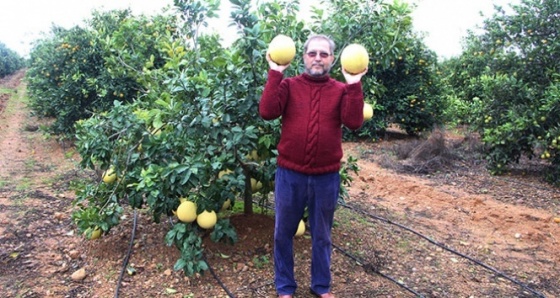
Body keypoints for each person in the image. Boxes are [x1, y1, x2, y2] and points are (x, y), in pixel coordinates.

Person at [259, 34, 368, 298]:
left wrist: (354, 84)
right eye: (312, 53)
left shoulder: (342, 90)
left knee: (322, 236)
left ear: (333, 59)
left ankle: (321, 286)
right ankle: (285, 287)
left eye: (324, 54)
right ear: (303, 56)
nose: (317, 58)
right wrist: (275, 73)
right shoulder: (289, 86)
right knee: (282, 233)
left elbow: (354, 122)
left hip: (325, 177)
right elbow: (267, 111)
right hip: (290, 174)